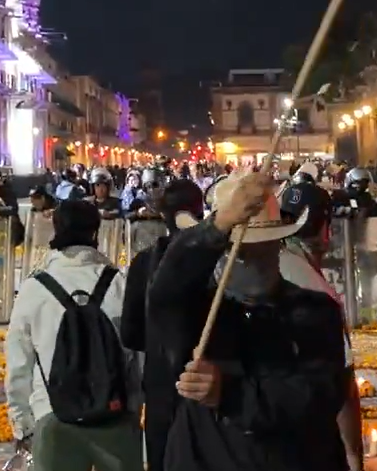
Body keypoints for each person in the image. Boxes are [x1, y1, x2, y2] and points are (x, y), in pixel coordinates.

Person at [149, 168, 353, 471]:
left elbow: (318, 397)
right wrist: (218, 226)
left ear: (278, 245)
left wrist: (229, 393)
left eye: (263, 247)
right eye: (237, 250)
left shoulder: (313, 311)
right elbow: (167, 289)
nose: (250, 260)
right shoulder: (199, 312)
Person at [5, 199, 142, 471]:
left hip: (52, 416)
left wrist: (22, 426)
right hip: (114, 417)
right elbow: (137, 357)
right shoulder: (119, 284)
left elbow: (19, 363)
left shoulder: (34, 288)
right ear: (96, 232)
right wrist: (132, 409)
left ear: (56, 229)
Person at [278, 180, 364, 471]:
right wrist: (353, 456)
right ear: (323, 227)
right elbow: (342, 382)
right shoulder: (315, 291)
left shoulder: (264, 266)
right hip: (306, 442)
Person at [121, 178, 205, 471]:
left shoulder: (144, 262)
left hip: (161, 388)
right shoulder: (215, 261)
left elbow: (131, 334)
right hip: (208, 387)